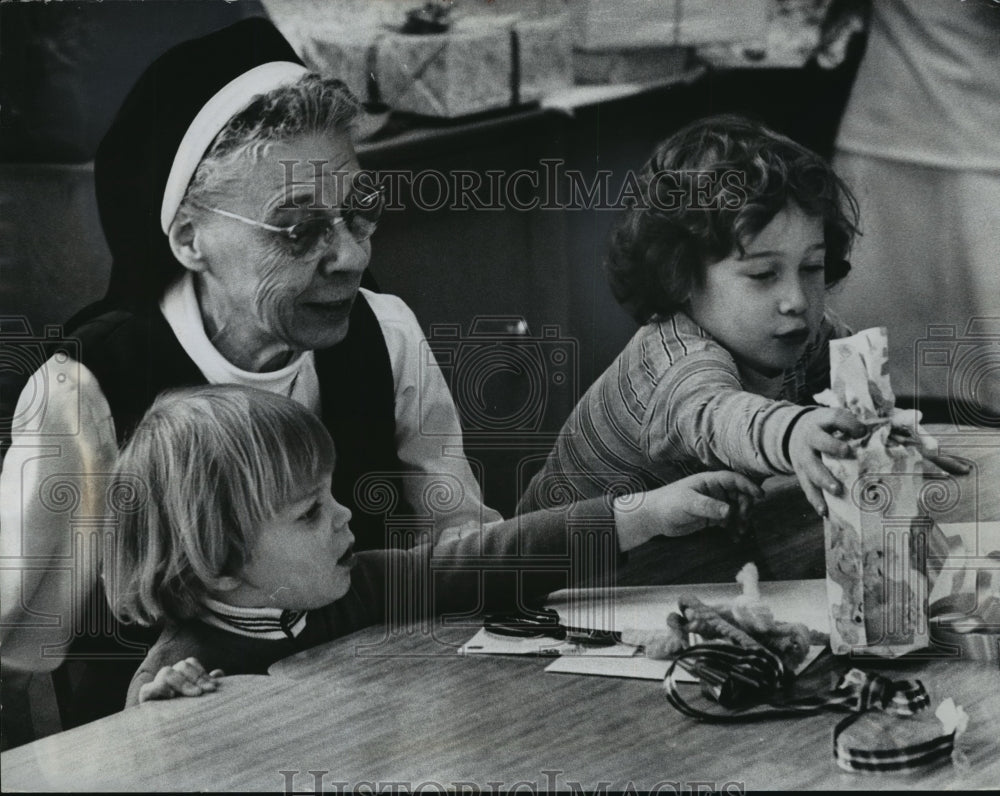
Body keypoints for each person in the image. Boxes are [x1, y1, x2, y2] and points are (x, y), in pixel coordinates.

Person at [0, 18, 499, 725]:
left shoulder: (384, 335)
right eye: (298, 229)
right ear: (188, 238)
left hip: (371, 720)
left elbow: (460, 548)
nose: (351, 258)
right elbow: (14, 664)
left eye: (358, 214)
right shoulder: (86, 389)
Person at [104, 385, 764, 705]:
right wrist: (158, 712)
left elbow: (481, 561)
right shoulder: (183, 663)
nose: (343, 517)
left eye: (329, 495)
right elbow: (140, 753)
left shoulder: (353, 582)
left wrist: (642, 514)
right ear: (218, 567)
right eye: (309, 513)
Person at [517, 115, 968, 519]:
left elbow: (860, 402)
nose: (796, 299)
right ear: (680, 278)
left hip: (678, 558)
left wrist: (890, 439)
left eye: (811, 267)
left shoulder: (804, 333)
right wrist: (791, 432)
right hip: (570, 580)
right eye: (762, 274)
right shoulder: (675, 360)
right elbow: (716, 416)